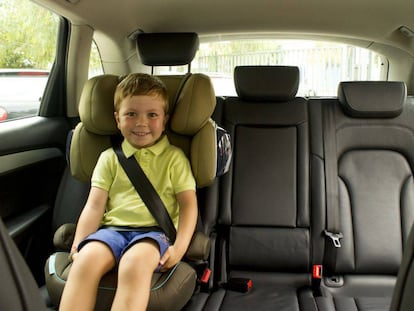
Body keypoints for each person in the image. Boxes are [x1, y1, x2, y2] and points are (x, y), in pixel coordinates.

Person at [59, 73, 198, 311]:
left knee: (134, 263)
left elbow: (188, 205)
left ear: (164, 120)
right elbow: (94, 206)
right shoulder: (109, 158)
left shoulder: (174, 159)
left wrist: (179, 248)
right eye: (131, 114)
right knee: (85, 261)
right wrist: (79, 244)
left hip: (154, 234)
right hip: (111, 231)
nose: (141, 123)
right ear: (117, 119)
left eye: (152, 115)